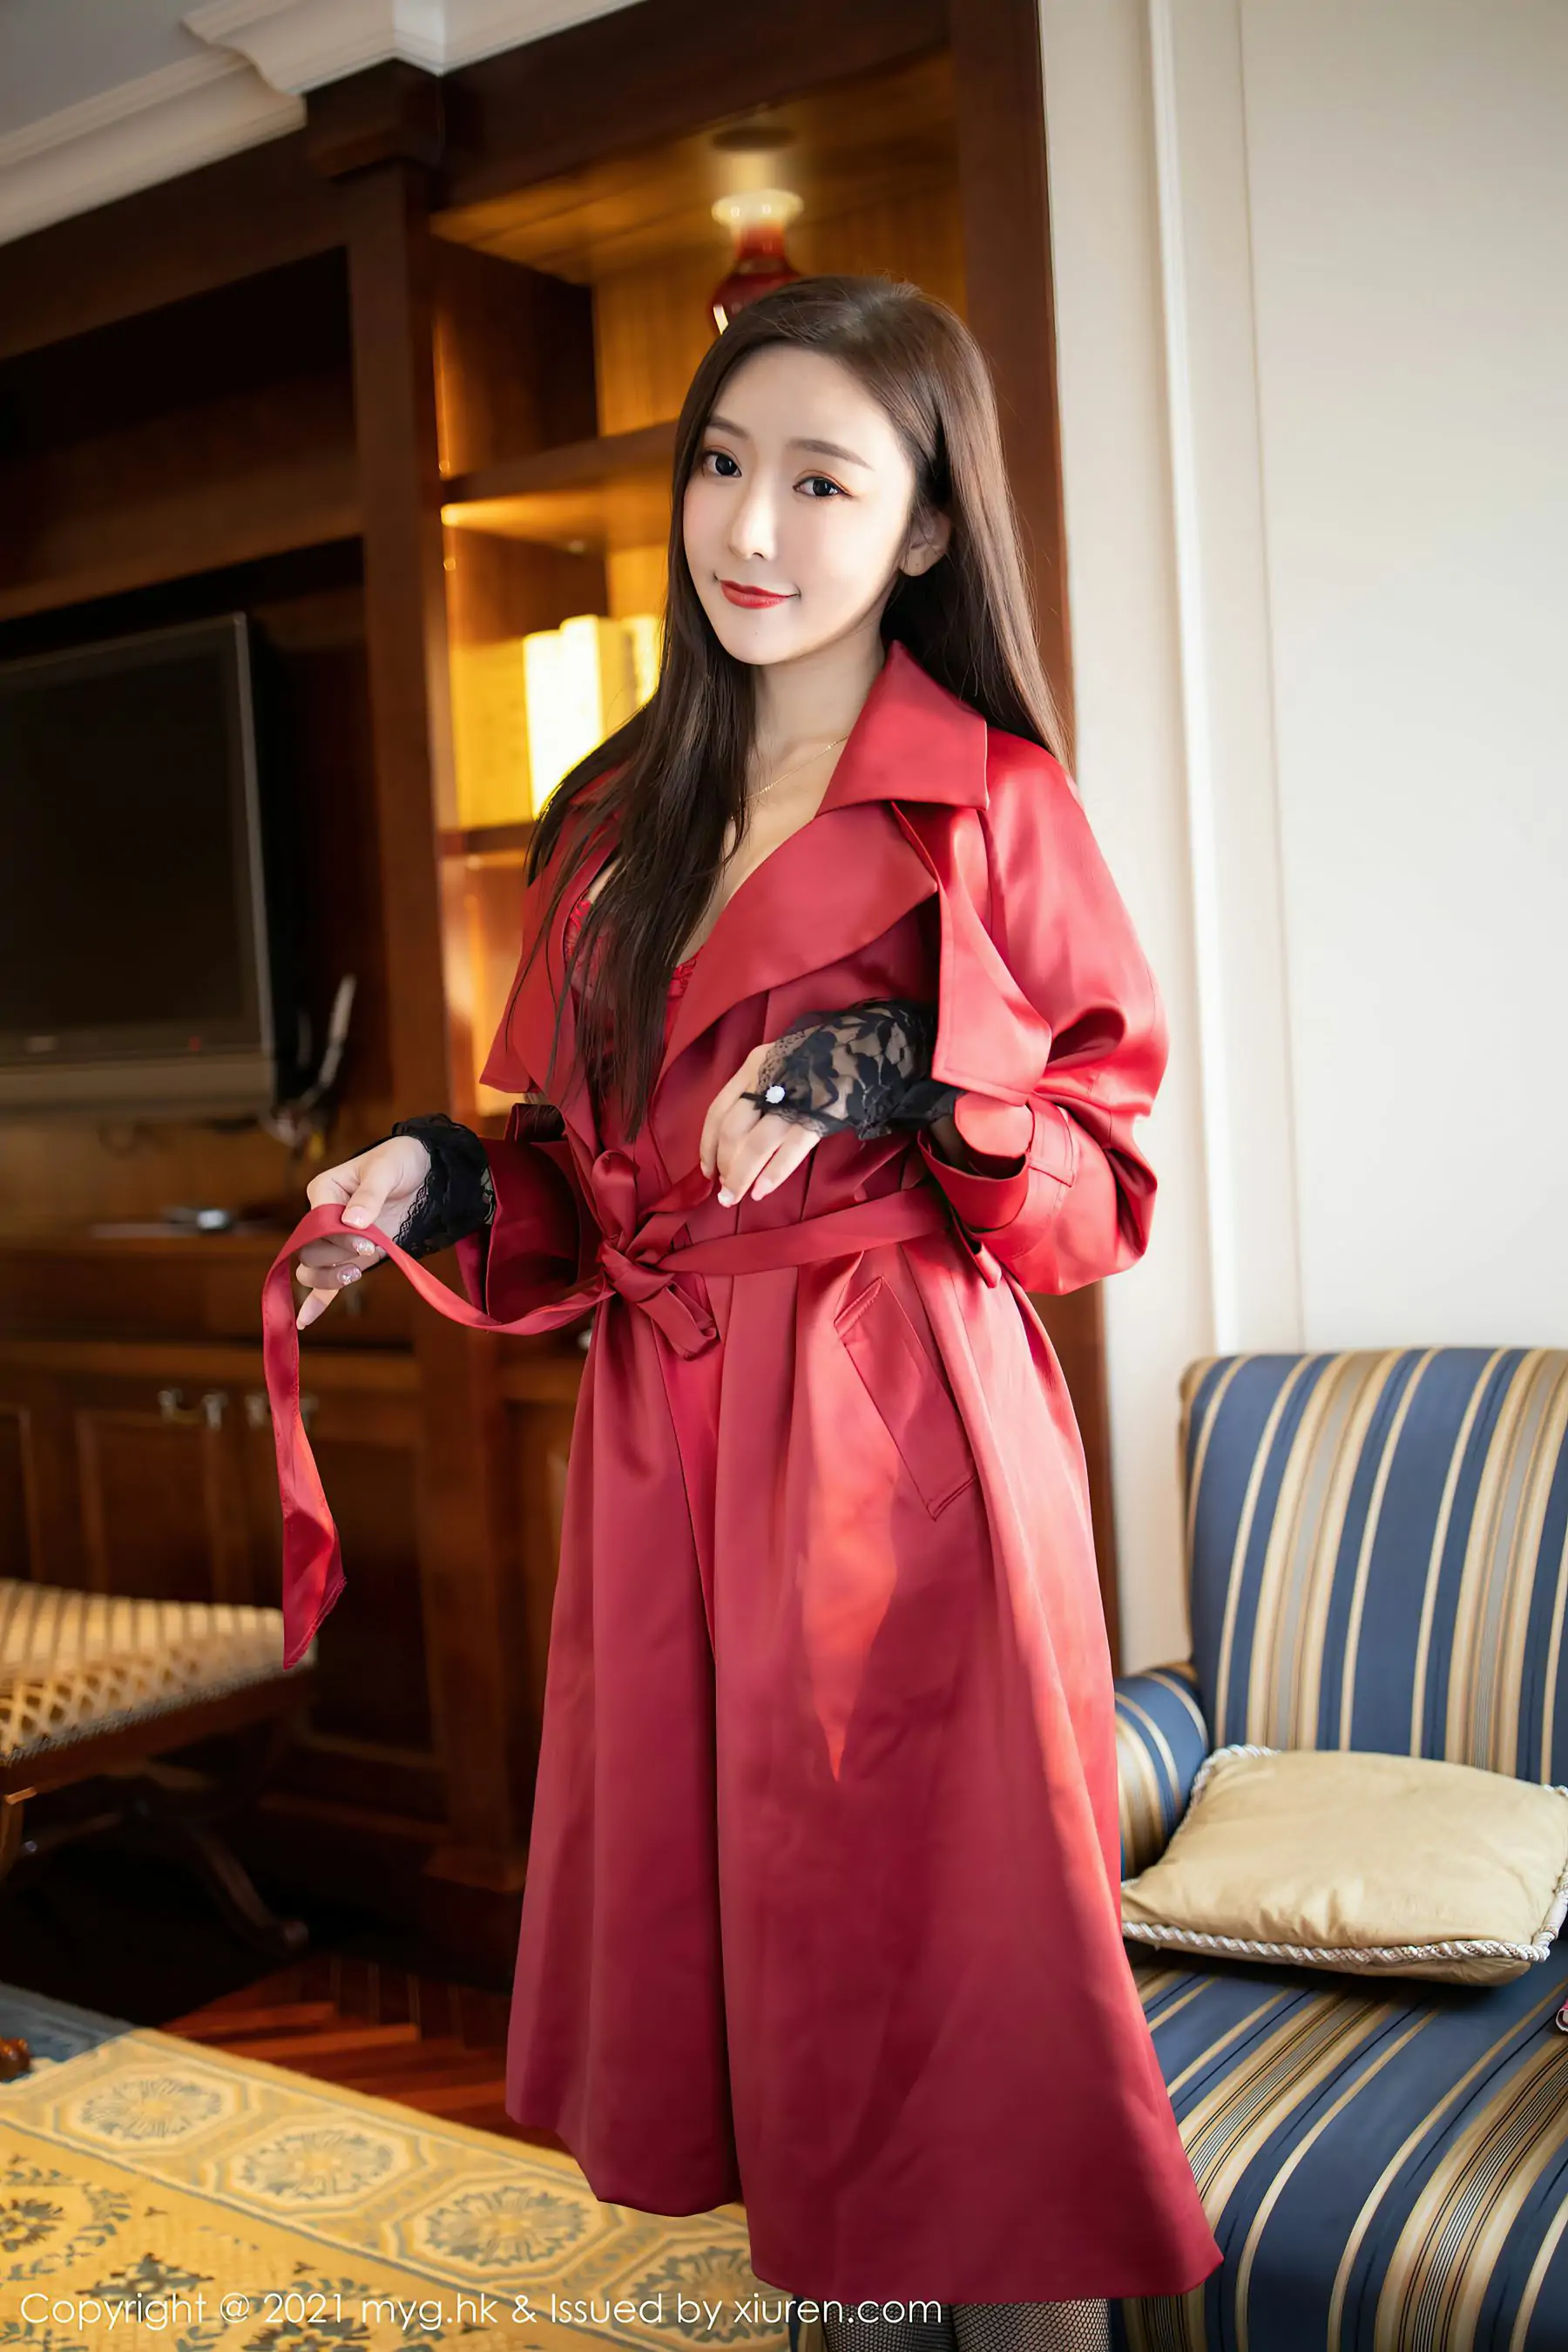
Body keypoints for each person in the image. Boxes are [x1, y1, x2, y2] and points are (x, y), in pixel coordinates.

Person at [284, 277, 1221, 2349]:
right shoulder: (617, 819)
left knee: (976, 2017)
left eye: (821, 480)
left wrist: (896, 1075)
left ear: (926, 524)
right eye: (723, 464)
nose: (750, 526)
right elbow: (587, 1171)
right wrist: (434, 1175)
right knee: (762, 2000)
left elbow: (1103, 1189)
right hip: (668, 1454)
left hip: (902, 1457)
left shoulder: (990, 804)